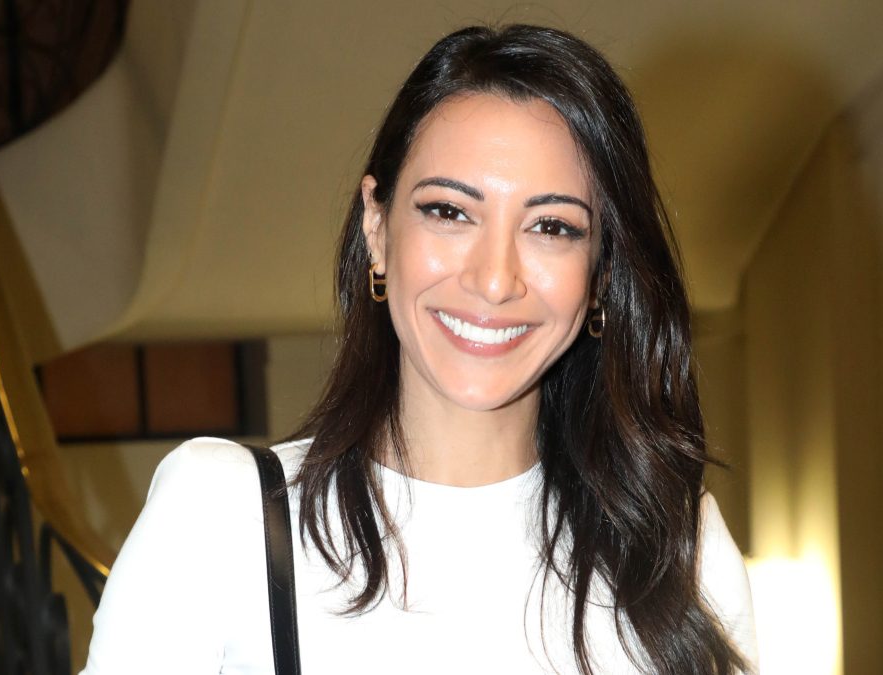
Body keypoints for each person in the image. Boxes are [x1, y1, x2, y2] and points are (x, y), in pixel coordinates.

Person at [81, 24, 757, 675]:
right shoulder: (221, 516)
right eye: (449, 211)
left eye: (552, 227)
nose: (495, 279)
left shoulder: (678, 551)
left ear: (602, 271)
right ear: (377, 227)